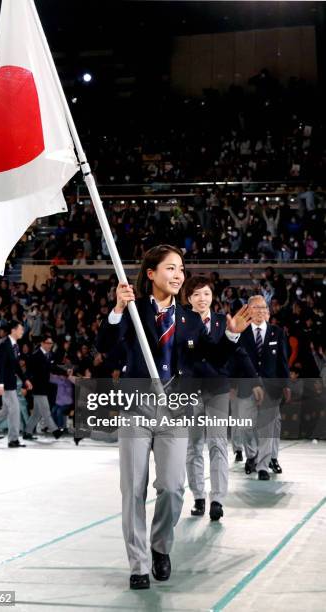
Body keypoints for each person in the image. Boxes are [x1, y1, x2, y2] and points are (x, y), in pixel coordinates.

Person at [97, 244, 252, 590]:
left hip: (175, 410)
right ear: (151, 274)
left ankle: (160, 547)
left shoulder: (190, 320)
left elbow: (212, 357)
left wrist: (231, 334)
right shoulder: (134, 312)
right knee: (132, 490)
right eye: (170, 268)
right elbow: (105, 347)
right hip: (137, 408)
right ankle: (138, 563)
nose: (178, 275)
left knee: (172, 487)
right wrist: (119, 309)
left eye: (181, 269)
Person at [184, 276, 262, 521]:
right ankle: (198, 495)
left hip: (218, 390)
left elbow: (240, 353)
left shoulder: (223, 322)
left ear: (212, 297)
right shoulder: (181, 323)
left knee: (217, 443)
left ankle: (217, 499)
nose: (202, 299)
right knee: (193, 445)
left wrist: (255, 380)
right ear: (188, 299)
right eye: (196, 294)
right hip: (190, 392)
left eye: (206, 293)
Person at [238, 295, 291, 479]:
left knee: (268, 428)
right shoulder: (241, 333)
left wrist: (286, 385)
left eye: (263, 308)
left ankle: (263, 466)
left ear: (267, 312)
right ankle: (252, 455)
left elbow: (282, 362)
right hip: (246, 388)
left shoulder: (278, 332)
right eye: (255, 307)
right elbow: (236, 362)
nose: (259, 311)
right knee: (245, 425)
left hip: (271, 388)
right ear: (248, 311)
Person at [0, 321, 33, 448]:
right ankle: (13, 439)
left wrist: (25, 379)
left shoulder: (15, 346)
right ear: (13, 330)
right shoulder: (4, 345)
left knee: (5, 411)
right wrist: (0, 385)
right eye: (20, 329)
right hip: (6, 384)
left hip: (11, 383)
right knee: (14, 409)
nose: (22, 332)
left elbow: (16, 366)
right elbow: (0, 366)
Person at [23, 334, 64, 441]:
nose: (50, 345)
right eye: (48, 343)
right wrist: (26, 384)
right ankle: (55, 431)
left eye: (51, 343)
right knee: (46, 411)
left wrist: (65, 372)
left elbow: (53, 368)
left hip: (45, 388)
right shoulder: (35, 355)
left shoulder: (50, 355)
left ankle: (27, 432)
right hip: (37, 388)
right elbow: (29, 372)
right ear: (42, 343)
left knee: (36, 413)